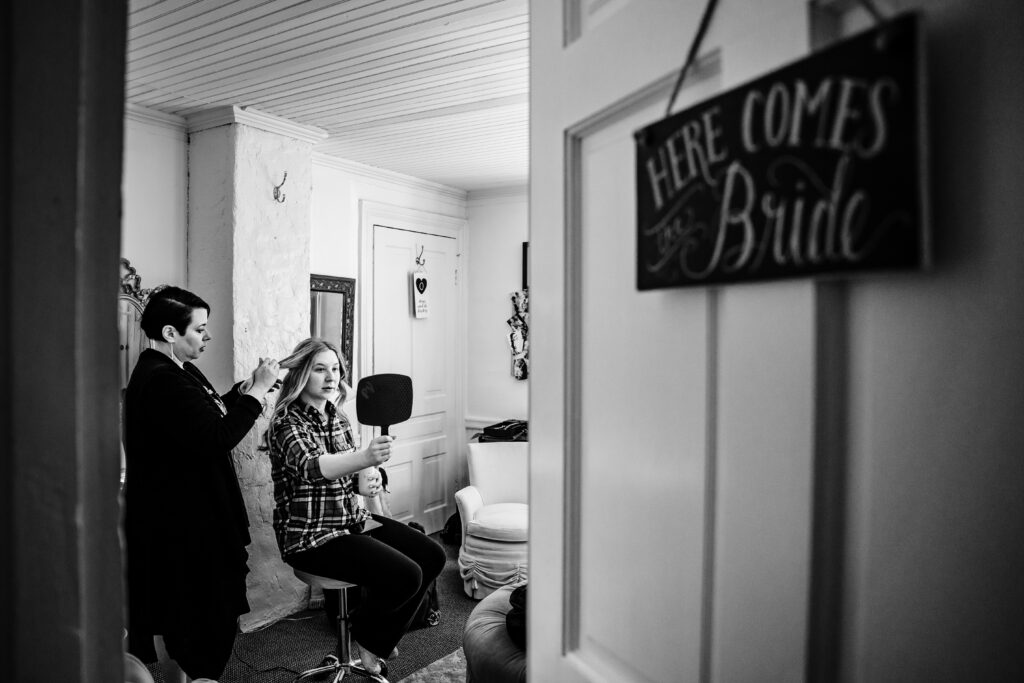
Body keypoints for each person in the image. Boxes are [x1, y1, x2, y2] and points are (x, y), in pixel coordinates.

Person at [123, 285, 280, 682]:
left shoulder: (178, 369)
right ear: (171, 333)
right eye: (200, 329)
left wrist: (242, 391)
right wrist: (259, 393)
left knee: (190, 618)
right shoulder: (160, 380)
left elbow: (206, 416)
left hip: (191, 515)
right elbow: (215, 438)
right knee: (206, 620)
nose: (207, 337)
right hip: (186, 524)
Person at [265, 338, 445, 675]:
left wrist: (364, 481)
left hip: (352, 521)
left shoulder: (339, 418)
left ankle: (376, 637)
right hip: (311, 539)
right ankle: (368, 639)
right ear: (302, 374)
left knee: (433, 556)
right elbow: (312, 467)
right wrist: (364, 457)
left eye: (335, 369)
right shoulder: (287, 423)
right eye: (320, 369)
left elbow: (344, 474)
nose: (330, 376)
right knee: (407, 575)